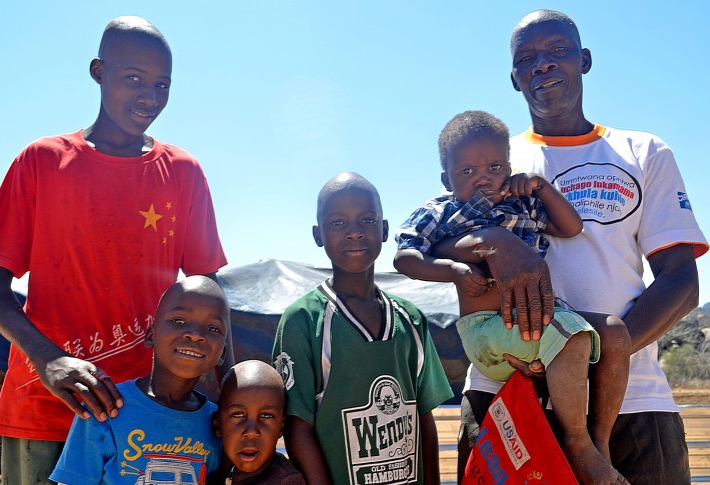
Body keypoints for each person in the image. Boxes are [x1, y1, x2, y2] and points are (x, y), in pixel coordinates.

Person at [444, 10, 708, 485]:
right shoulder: (488, 160)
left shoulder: (643, 151)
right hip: (505, 391)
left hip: (632, 400)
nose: (543, 64)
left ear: (584, 60)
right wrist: (496, 240)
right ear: (514, 78)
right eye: (527, 57)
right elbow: (435, 241)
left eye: (557, 50)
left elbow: (681, 281)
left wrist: (595, 357)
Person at [0, 16, 233, 483]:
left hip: (145, 415)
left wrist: (230, 395)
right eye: (133, 79)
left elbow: (208, 294)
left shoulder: (182, 173)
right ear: (98, 71)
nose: (149, 98)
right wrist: (47, 358)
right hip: (46, 404)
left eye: (162, 85)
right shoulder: (43, 161)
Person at [395, 109, 631, 485]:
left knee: (615, 331)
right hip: (489, 330)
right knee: (572, 336)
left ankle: (598, 442)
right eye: (466, 172)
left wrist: (541, 187)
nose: (482, 177)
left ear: (509, 165)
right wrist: (452, 270)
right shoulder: (442, 210)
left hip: (542, 323)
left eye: (494, 166)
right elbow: (405, 255)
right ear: (446, 179)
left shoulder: (524, 204)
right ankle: (577, 444)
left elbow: (572, 227)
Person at [272, 172, 453, 485]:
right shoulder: (303, 319)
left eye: (367, 220)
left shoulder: (410, 318)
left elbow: (424, 415)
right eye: (338, 222)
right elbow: (296, 425)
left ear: (384, 230)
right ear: (318, 235)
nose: (354, 232)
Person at [49, 276, 227, 484]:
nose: (196, 335)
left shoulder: (217, 423)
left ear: (222, 352)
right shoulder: (105, 408)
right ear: (151, 335)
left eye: (213, 328)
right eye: (179, 321)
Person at [209, 360, 305, 485]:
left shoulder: (287, 481)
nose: (251, 432)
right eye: (238, 415)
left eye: (266, 416)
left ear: (281, 427)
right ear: (218, 425)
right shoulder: (205, 463)